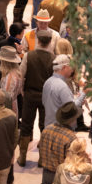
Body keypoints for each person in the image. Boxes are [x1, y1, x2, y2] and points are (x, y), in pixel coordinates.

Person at [18, 27, 54, 165]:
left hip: (30, 94)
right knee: (44, 126)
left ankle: (22, 157)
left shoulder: (29, 55)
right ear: (50, 42)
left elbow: (22, 75)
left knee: (27, 124)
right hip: (46, 97)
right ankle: (42, 158)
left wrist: (22, 90)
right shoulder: (53, 58)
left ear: (38, 40)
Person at [42, 54, 85, 129]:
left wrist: (76, 99)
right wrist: (84, 92)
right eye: (71, 66)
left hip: (48, 127)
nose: (72, 70)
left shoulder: (47, 82)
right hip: (61, 129)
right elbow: (71, 109)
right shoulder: (62, 86)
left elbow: (51, 103)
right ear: (65, 67)